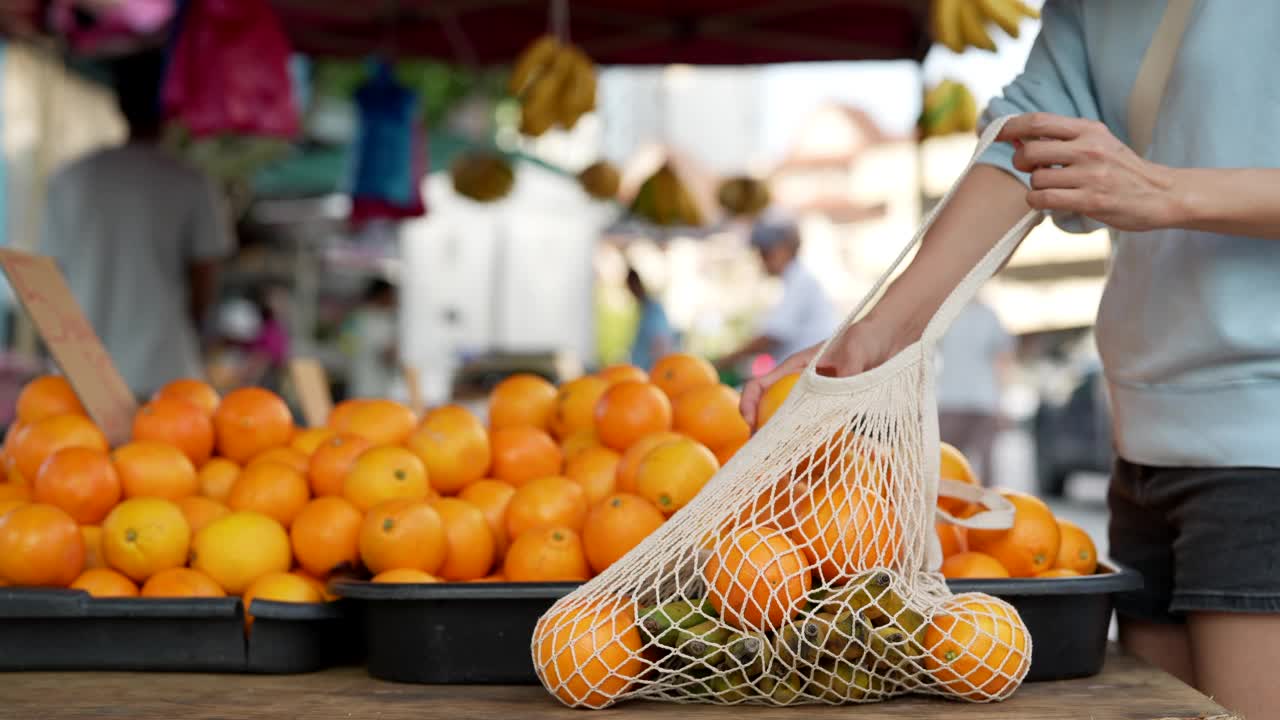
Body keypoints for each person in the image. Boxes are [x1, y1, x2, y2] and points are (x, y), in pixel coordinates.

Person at [742, 4, 1280, 715]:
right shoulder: (1088, 8)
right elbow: (1018, 153)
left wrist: (1167, 191)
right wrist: (883, 330)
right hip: (1143, 443)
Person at [42, 52, 231, 399]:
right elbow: (206, 275)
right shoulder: (190, 182)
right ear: (171, 108)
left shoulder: (70, 179)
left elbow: (48, 277)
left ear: (119, 104)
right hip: (163, 368)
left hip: (80, 370)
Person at [716, 213, 837, 373]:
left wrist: (726, 361)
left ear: (784, 249)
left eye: (766, 253)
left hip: (810, 374)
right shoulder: (794, 280)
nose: (761, 260)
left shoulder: (801, 282)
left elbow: (773, 336)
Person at [936, 298, 1014, 486]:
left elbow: (1003, 360)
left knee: (985, 465)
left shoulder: (989, 315)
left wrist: (1001, 401)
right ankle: (947, 510)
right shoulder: (943, 312)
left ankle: (986, 512)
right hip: (951, 400)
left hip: (982, 401)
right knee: (946, 464)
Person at [344, 279, 399, 399]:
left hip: (370, 384)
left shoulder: (357, 317)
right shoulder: (367, 319)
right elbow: (387, 354)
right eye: (390, 295)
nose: (393, 300)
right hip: (368, 385)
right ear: (381, 294)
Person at [626, 267, 674, 371]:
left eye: (630, 286)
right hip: (642, 374)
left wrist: (659, 371)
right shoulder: (644, 309)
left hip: (650, 374)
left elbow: (661, 343)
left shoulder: (653, 309)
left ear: (636, 284)